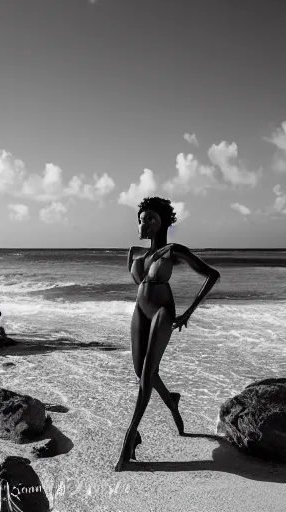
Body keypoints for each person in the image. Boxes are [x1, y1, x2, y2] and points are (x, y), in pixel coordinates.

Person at [115, 196, 220, 472]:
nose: (143, 223)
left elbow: (211, 274)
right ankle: (171, 400)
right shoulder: (135, 253)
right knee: (141, 372)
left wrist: (188, 313)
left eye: (150, 218)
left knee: (147, 374)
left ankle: (129, 439)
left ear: (162, 222)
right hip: (140, 310)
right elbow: (139, 283)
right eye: (141, 218)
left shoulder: (174, 250)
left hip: (163, 310)